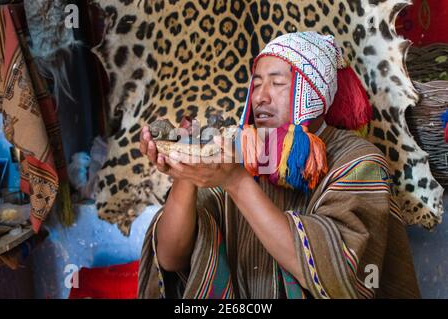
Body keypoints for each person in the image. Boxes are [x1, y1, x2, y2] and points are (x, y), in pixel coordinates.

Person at [138, 31, 420, 299]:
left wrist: (235, 182)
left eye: (277, 82)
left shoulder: (357, 159)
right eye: (257, 83)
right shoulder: (233, 151)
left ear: (312, 91)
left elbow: (342, 277)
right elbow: (171, 258)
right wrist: (187, 169)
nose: (260, 96)